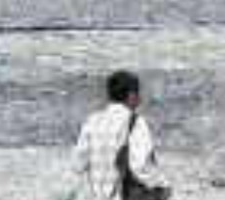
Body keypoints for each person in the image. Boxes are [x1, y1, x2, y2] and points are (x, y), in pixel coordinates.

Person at [73, 70, 171, 200]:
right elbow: (139, 165)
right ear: (131, 95)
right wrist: (161, 185)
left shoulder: (92, 121)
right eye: (138, 93)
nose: (140, 98)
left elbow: (78, 164)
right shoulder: (135, 122)